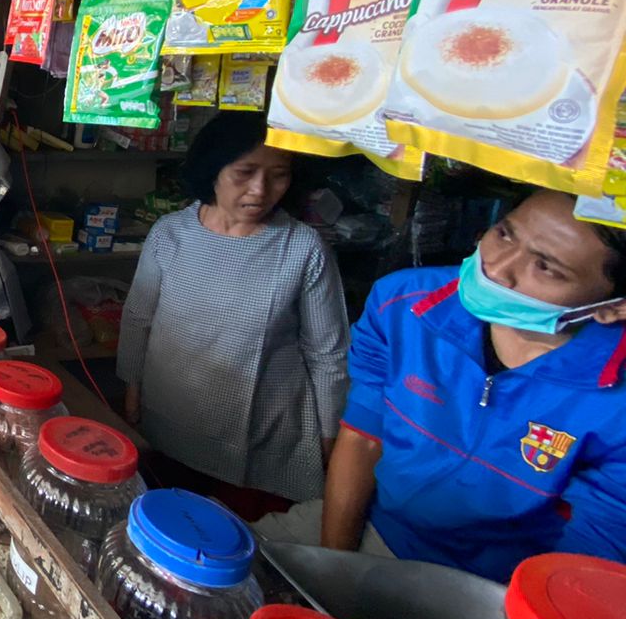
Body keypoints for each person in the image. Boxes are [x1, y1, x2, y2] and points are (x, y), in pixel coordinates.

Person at [260, 189, 626, 580]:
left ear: (612, 308)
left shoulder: (615, 399)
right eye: (505, 234)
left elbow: (593, 547)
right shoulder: (403, 303)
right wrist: (337, 566)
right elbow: (363, 437)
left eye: (545, 267)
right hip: (376, 526)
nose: (497, 268)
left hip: (500, 580)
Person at [119, 111, 350, 510]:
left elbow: (327, 353)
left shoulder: (303, 248)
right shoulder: (170, 234)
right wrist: (132, 386)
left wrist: (333, 438)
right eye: (244, 172)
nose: (260, 190)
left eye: (279, 175)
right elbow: (139, 318)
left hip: (265, 434)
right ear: (213, 169)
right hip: (170, 415)